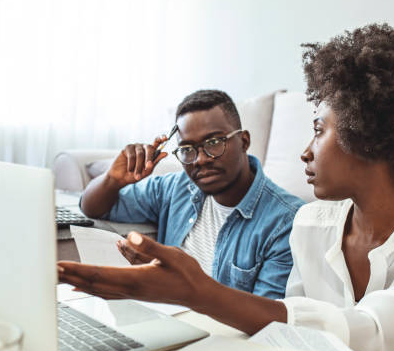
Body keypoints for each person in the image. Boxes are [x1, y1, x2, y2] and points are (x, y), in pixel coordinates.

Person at [58, 23, 394, 351]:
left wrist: (195, 291)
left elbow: (374, 336)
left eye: (318, 130)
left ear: (372, 137)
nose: (305, 152)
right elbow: (288, 340)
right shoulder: (313, 225)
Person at [79, 89, 304, 298]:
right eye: (187, 149)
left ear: (243, 141)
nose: (201, 159)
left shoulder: (286, 221)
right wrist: (112, 179)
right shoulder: (174, 189)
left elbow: (268, 318)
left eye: (214, 143)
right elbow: (93, 207)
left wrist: (169, 279)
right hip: (166, 318)